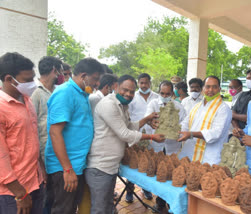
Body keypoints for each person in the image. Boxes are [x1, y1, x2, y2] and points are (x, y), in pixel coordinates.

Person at [85, 75, 165, 214]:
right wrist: (151, 136)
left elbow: (130, 126)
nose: (128, 94)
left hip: (110, 166)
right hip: (100, 166)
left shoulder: (122, 106)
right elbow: (125, 134)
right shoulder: (108, 104)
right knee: (99, 208)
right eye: (125, 90)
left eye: (131, 91)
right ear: (116, 87)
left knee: (108, 205)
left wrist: (146, 119)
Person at [45, 58, 104, 214]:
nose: (97, 84)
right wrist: (67, 169)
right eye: (95, 79)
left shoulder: (82, 94)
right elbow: (55, 132)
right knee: (63, 210)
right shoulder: (65, 93)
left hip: (76, 164)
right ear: (84, 75)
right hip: (64, 167)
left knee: (70, 208)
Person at [0, 52, 44, 214]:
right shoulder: (2, 107)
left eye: (33, 78)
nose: (32, 84)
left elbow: (32, 140)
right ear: (9, 79)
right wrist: (19, 193)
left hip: (35, 182)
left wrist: (42, 172)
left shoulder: (27, 100)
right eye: (27, 80)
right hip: (13, 192)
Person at [178, 76, 232, 164]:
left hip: (209, 158)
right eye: (207, 86)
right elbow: (185, 124)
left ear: (219, 89)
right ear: (203, 88)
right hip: (190, 153)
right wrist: (174, 131)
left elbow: (215, 133)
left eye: (214, 87)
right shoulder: (197, 106)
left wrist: (191, 134)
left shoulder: (223, 108)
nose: (210, 90)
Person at [126, 73, 158, 202]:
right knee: (133, 162)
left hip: (152, 135)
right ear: (138, 83)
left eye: (146, 82)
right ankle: (129, 190)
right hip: (136, 134)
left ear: (150, 83)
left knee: (148, 162)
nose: (144, 85)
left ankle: (146, 189)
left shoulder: (156, 97)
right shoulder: (132, 96)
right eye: (141, 83)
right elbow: (128, 116)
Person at [31, 56, 64, 162]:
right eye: (61, 72)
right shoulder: (34, 91)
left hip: (59, 147)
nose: (62, 76)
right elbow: (31, 124)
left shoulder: (59, 91)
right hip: (43, 151)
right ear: (55, 70)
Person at [146, 80, 186, 154]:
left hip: (173, 145)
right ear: (159, 92)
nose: (164, 96)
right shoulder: (153, 104)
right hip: (156, 144)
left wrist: (176, 131)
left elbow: (184, 123)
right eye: (162, 93)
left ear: (172, 93)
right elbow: (147, 117)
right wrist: (150, 122)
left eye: (167, 94)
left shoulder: (179, 107)